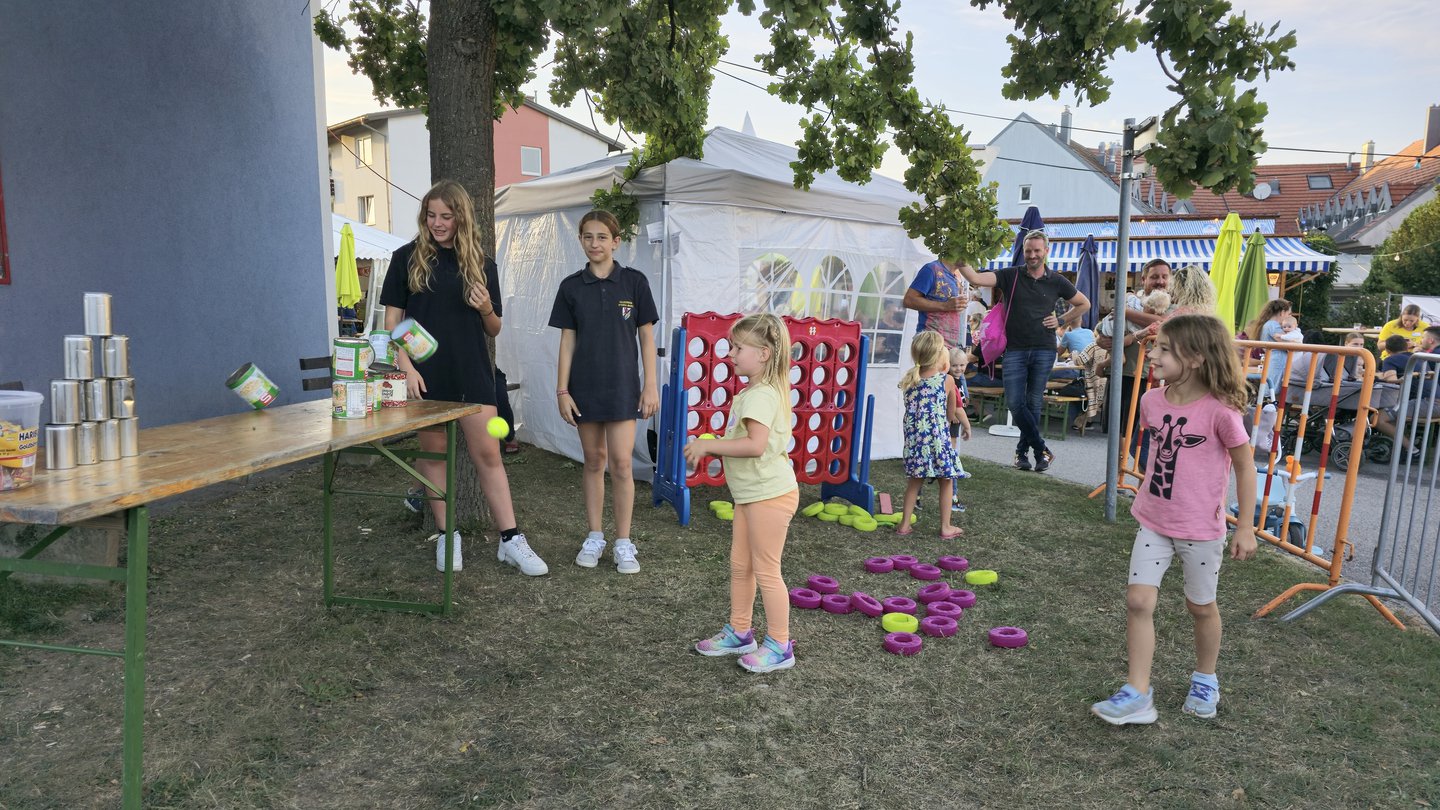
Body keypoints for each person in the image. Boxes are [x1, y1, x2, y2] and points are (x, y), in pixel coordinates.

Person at [1091, 314, 1257, 725]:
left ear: (1197, 357)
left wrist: (1246, 526)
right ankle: (1137, 692)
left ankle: (1205, 678)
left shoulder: (1221, 412)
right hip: (1153, 520)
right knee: (1138, 600)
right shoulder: (1151, 401)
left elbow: (1245, 466)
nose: (1153, 355)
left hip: (1200, 530)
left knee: (1200, 607)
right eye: (1156, 346)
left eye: (1165, 349)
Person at [380, 179, 547, 576]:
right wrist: (406, 368)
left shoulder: (482, 264)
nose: (437, 223)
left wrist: (486, 306)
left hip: (472, 372)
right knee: (434, 455)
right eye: (431, 215)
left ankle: (511, 540)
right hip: (425, 376)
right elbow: (392, 322)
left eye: (446, 216)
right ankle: (447, 534)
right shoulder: (405, 258)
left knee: (489, 455)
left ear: (461, 218)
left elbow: (494, 328)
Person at [686, 314, 800, 673]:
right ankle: (739, 632)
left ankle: (780, 645)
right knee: (741, 565)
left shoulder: (761, 396)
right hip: (751, 495)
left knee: (766, 570)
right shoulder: (755, 392)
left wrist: (709, 446)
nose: (730, 354)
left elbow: (754, 445)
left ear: (763, 354)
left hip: (770, 495)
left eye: (738, 348)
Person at [550, 210, 660, 574]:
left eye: (601, 237)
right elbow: (567, 341)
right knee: (594, 460)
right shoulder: (570, 287)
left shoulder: (634, 282)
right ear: (580, 240)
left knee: (622, 463)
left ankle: (623, 542)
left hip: (623, 388)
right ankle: (595, 536)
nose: (594, 243)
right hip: (584, 388)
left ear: (616, 241)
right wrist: (562, 390)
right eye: (587, 237)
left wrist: (650, 385)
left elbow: (647, 339)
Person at [957, 231, 1091, 472]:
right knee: (1015, 402)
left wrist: (1061, 319)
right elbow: (976, 278)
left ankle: (1023, 454)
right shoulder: (1011, 275)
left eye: (1037, 250)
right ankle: (1041, 449)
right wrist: (958, 256)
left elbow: (1084, 303)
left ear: (1046, 251)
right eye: (1028, 251)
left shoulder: (1057, 281)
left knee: (1033, 403)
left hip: (1044, 349)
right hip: (1015, 349)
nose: (1032, 255)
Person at [1096, 259, 1172, 470]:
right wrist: (1101, 340)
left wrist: (1126, 314)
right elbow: (1103, 327)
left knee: (1144, 437)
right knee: (1118, 431)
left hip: (1151, 378)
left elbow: (1165, 322)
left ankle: (1141, 480)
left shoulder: (1171, 304)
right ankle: (1116, 477)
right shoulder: (1131, 300)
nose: (1160, 281)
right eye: (1154, 277)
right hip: (1122, 373)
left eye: (1164, 276)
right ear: (1144, 279)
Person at [897, 331, 965, 537]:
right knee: (946, 481)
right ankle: (946, 527)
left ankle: (904, 525)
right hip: (937, 441)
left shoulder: (910, 380)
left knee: (914, 482)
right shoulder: (947, 380)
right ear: (939, 355)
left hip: (915, 443)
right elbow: (951, 415)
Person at [1372, 334, 1438, 459]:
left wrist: (1377, 377)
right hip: (1433, 402)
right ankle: (1403, 445)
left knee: (1378, 418)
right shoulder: (1417, 358)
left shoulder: (1390, 360)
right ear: (1406, 347)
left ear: (1387, 351)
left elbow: (1391, 380)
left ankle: (1413, 451)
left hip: (1427, 404)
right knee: (1392, 414)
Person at [904, 258, 970, 348]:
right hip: (930, 344)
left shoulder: (957, 277)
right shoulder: (931, 269)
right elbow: (909, 300)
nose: (972, 256)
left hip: (949, 345)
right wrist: (945, 305)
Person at [946, 345, 975, 510]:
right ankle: (953, 498)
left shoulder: (960, 380)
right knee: (951, 458)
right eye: (955, 365)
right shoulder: (951, 381)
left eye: (962, 365)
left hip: (956, 423)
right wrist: (960, 419)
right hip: (951, 422)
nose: (959, 369)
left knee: (953, 454)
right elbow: (954, 404)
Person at [1246, 298, 1293, 395]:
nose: (1289, 317)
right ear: (1282, 313)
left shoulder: (1268, 325)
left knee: (1269, 390)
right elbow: (1290, 342)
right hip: (1277, 362)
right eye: (1288, 314)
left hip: (1272, 360)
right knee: (1272, 391)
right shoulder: (1273, 326)